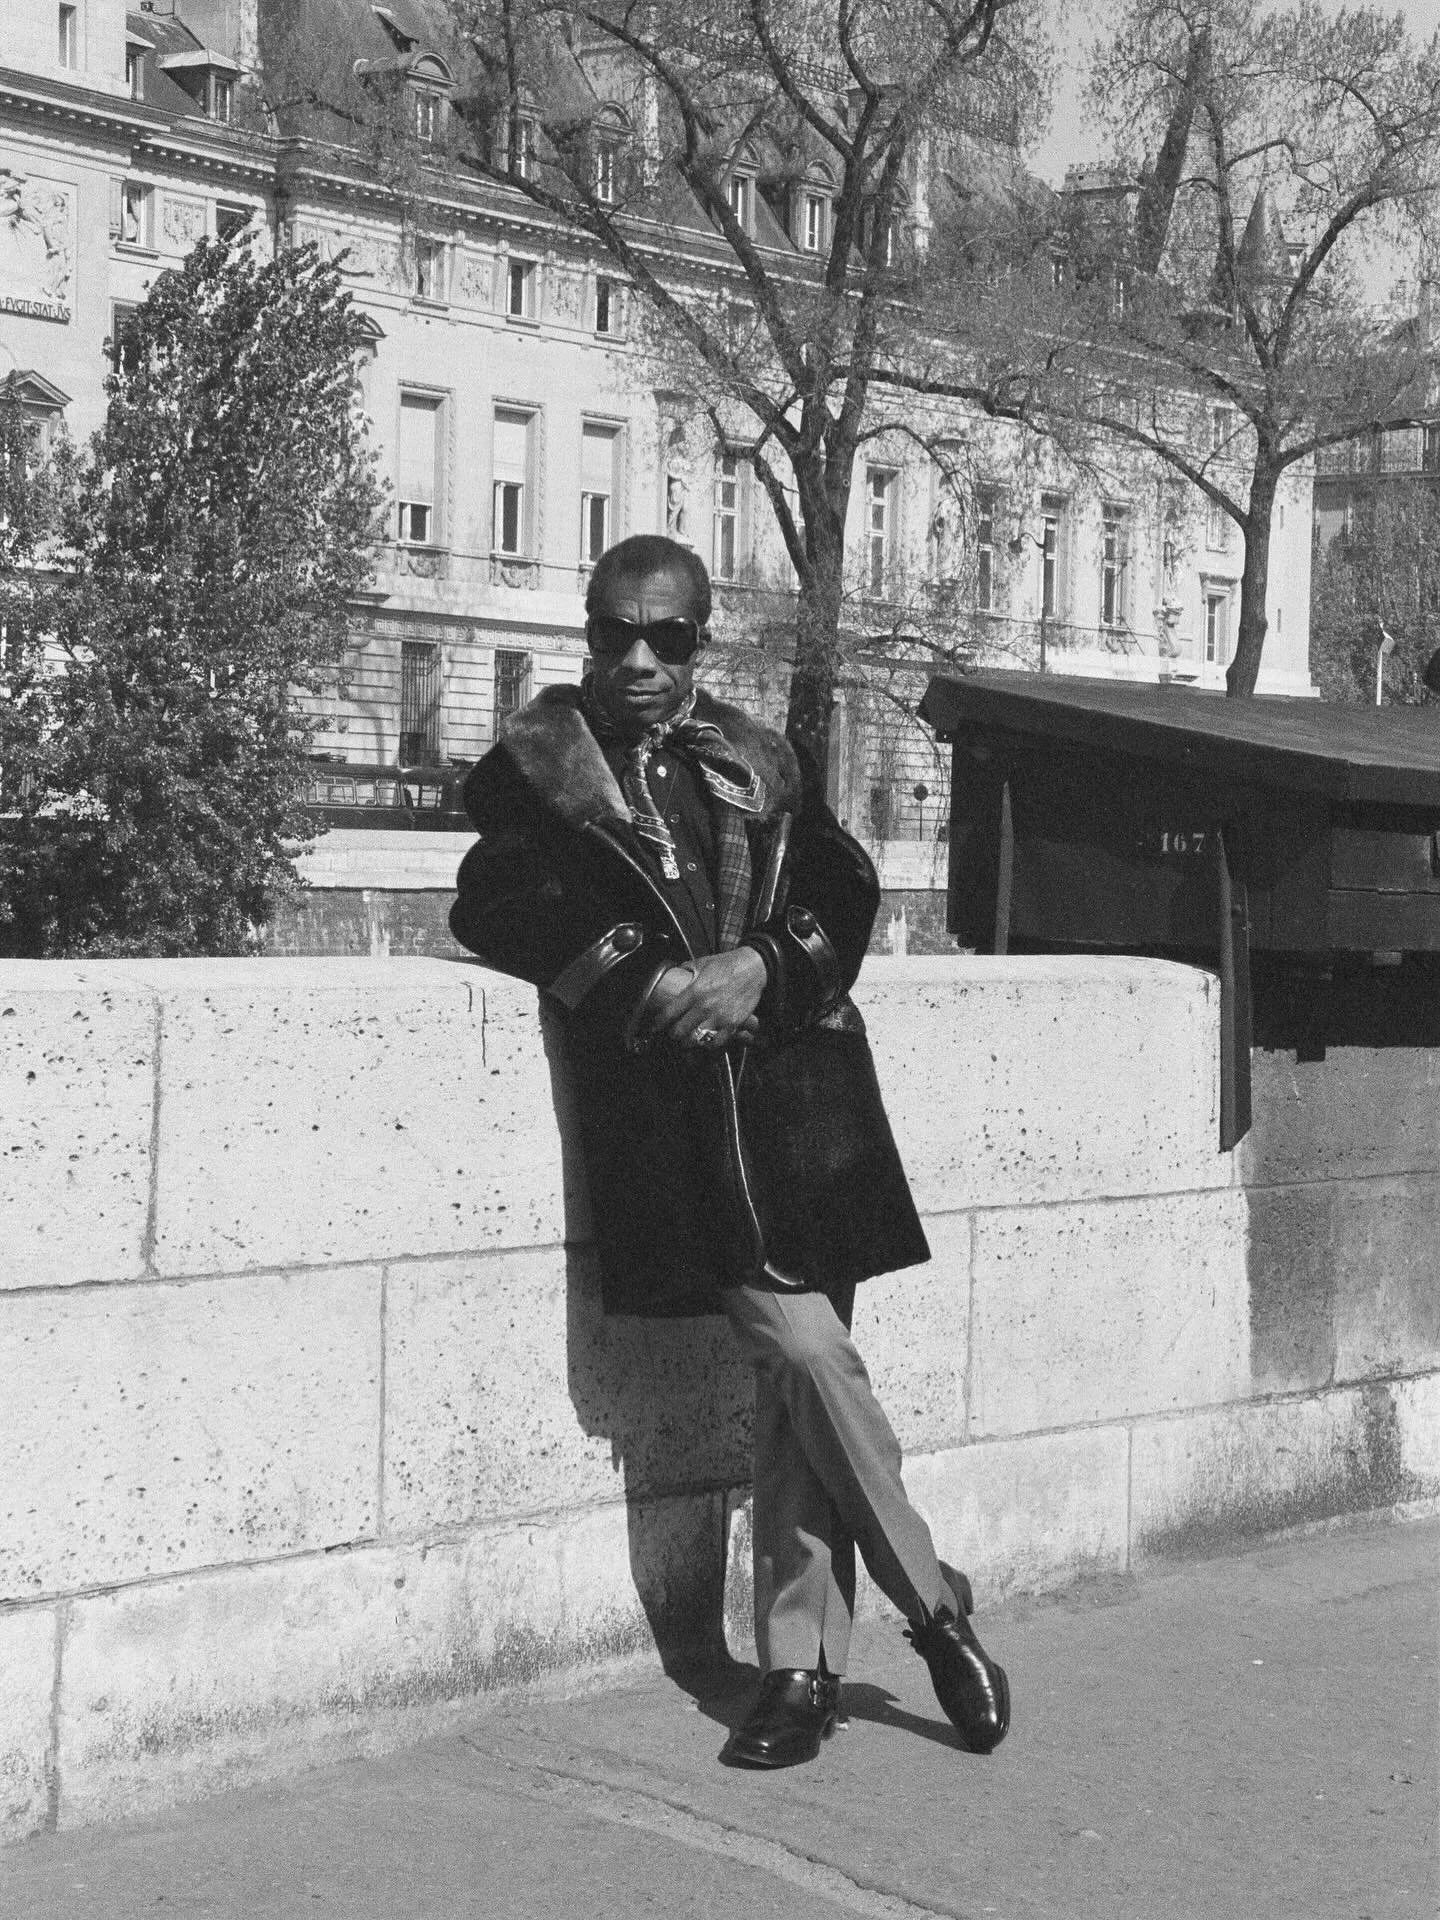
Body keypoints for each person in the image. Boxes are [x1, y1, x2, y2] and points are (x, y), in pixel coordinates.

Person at [450, 534, 1009, 1768]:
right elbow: (492, 903)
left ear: (703, 641)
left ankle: (799, 1674)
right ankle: (939, 1610)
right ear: (586, 637)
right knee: (808, 1354)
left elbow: (846, 882)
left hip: (810, 1110)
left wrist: (766, 962)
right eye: (614, 634)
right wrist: (648, 984)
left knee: (793, 1408)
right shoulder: (537, 780)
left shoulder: (757, 760)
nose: (639, 661)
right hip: (680, 1132)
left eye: (668, 637)